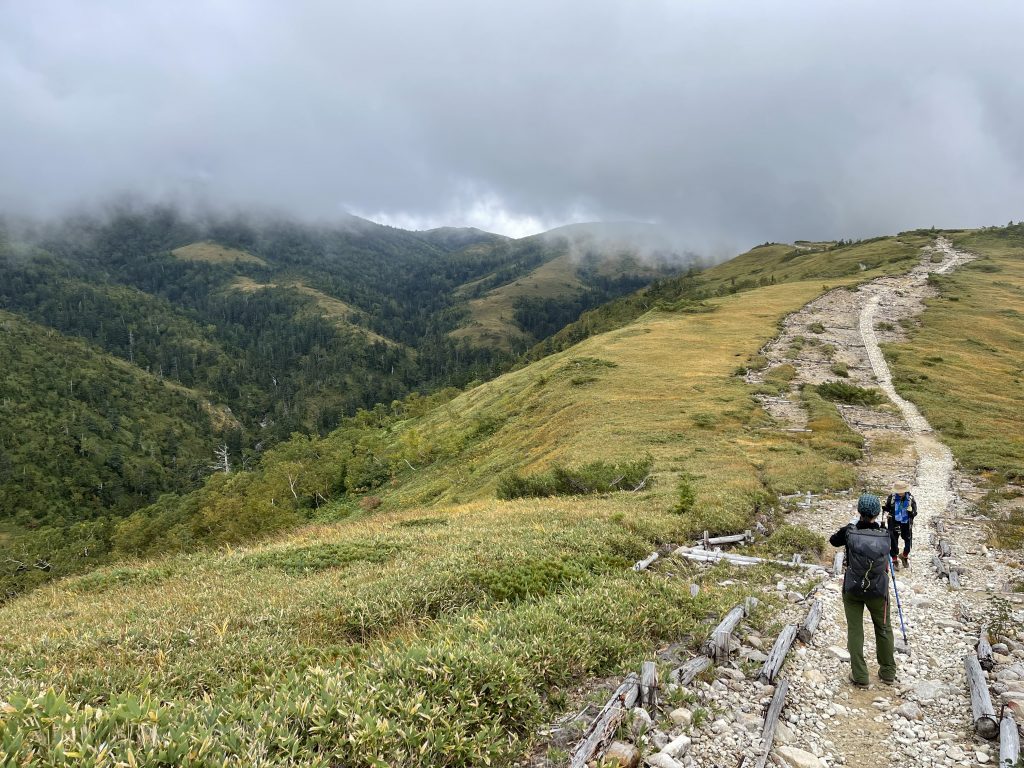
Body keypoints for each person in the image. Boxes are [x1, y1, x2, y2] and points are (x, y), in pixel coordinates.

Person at [829, 493, 898, 688]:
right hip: (878, 590)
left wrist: (851, 525)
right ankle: (887, 672)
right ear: (877, 513)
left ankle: (860, 675)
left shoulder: (850, 532)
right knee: (883, 628)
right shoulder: (885, 533)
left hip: (853, 588)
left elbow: (833, 541)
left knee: (855, 629)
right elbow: (893, 552)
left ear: (859, 511)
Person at [884, 481, 917, 570]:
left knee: (908, 541)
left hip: (906, 523)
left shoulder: (910, 499)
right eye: (898, 491)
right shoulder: (892, 498)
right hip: (893, 522)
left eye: (902, 491)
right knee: (893, 541)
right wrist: (885, 509)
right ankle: (894, 560)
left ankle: (904, 555)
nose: (900, 493)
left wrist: (911, 511)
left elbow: (915, 513)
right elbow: (887, 508)